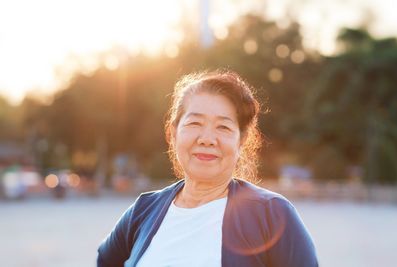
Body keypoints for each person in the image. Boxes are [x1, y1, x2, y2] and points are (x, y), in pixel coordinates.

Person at [97, 70, 318, 267]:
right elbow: (105, 260)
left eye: (223, 127)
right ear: (173, 134)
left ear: (241, 141)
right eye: (195, 123)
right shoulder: (144, 210)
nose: (207, 139)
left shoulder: (272, 213)